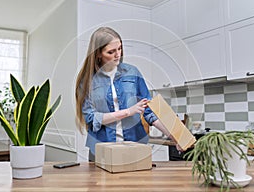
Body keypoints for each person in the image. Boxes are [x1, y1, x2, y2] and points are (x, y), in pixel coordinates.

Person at [75, 27, 182, 161]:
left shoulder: (132, 72)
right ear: (98, 54)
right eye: (111, 52)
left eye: (119, 48)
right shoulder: (87, 81)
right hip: (101, 150)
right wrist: (128, 112)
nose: (117, 55)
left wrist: (175, 137)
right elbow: (90, 118)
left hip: (135, 147)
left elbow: (150, 111)